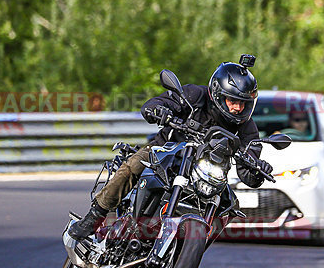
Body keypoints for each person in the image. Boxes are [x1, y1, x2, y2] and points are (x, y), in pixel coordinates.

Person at [68, 59, 273, 240]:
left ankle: (193, 247)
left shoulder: (248, 128)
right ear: (219, 95)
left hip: (205, 172)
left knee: (230, 205)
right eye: (233, 101)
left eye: (243, 104)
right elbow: (159, 103)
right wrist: (159, 110)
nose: (238, 108)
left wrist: (256, 170)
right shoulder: (195, 95)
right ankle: (94, 217)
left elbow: (248, 168)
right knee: (133, 166)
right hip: (165, 151)